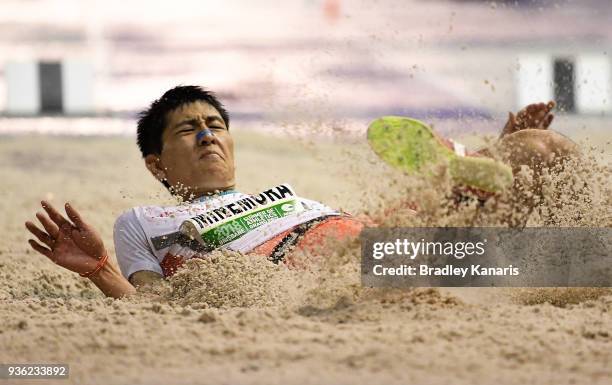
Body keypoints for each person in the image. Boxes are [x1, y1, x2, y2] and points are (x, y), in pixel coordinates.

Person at [24, 86, 578, 298]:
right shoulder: (141, 220)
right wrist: (100, 270)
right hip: (323, 266)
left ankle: (474, 174)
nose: (208, 134)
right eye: (188, 129)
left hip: (369, 234)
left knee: (540, 149)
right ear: (156, 163)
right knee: (566, 260)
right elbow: (153, 304)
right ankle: (458, 173)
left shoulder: (284, 195)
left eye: (216, 124)